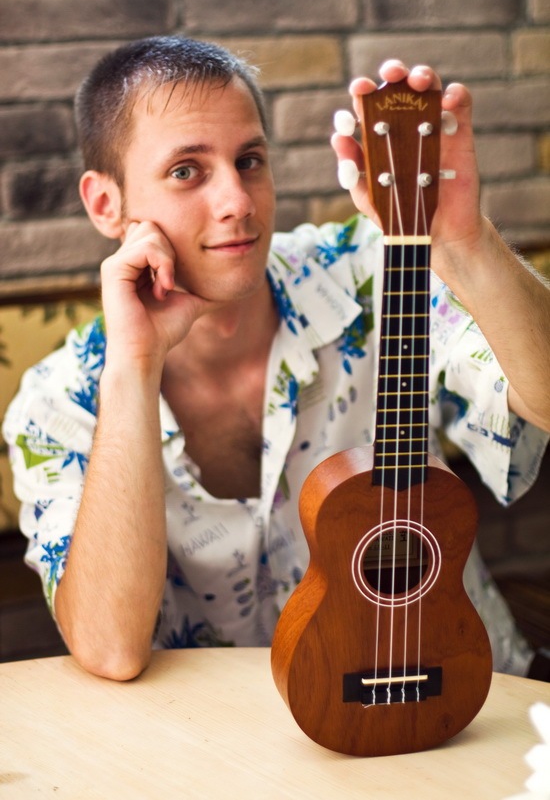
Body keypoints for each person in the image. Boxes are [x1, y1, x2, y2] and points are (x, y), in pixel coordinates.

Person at [3, 36, 549, 682]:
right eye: (186, 171)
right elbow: (111, 648)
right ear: (106, 203)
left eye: (249, 160)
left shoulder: (377, 269)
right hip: (224, 735)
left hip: (461, 691)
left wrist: (469, 244)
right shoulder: (55, 405)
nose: (238, 201)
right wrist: (134, 367)